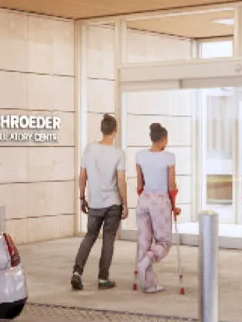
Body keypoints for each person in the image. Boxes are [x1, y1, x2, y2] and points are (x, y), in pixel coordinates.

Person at [72, 113, 125, 291]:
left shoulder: (89, 149)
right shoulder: (118, 153)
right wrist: (124, 203)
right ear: (115, 131)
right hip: (112, 204)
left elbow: (82, 176)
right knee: (108, 240)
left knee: (90, 236)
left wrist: (81, 197)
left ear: (102, 130)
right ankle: (103, 279)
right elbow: (121, 181)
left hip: (94, 203)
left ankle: (77, 273)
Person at [134, 123, 178, 294]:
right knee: (164, 242)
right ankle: (145, 263)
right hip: (160, 201)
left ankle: (149, 285)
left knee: (144, 243)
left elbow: (139, 184)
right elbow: (172, 185)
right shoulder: (169, 157)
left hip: (144, 199)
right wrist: (174, 206)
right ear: (163, 139)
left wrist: (145, 198)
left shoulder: (139, 155)